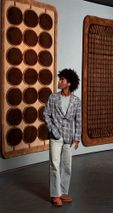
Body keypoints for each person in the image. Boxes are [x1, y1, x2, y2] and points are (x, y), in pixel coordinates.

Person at [43, 68, 81, 207]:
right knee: (54, 164)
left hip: (68, 137)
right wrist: (52, 129)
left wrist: (77, 137)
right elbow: (46, 114)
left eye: (62, 80)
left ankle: (63, 191)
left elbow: (78, 120)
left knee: (67, 166)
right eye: (60, 79)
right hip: (55, 136)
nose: (59, 82)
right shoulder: (53, 97)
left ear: (69, 83)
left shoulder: (76, 101)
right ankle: (55, 194)